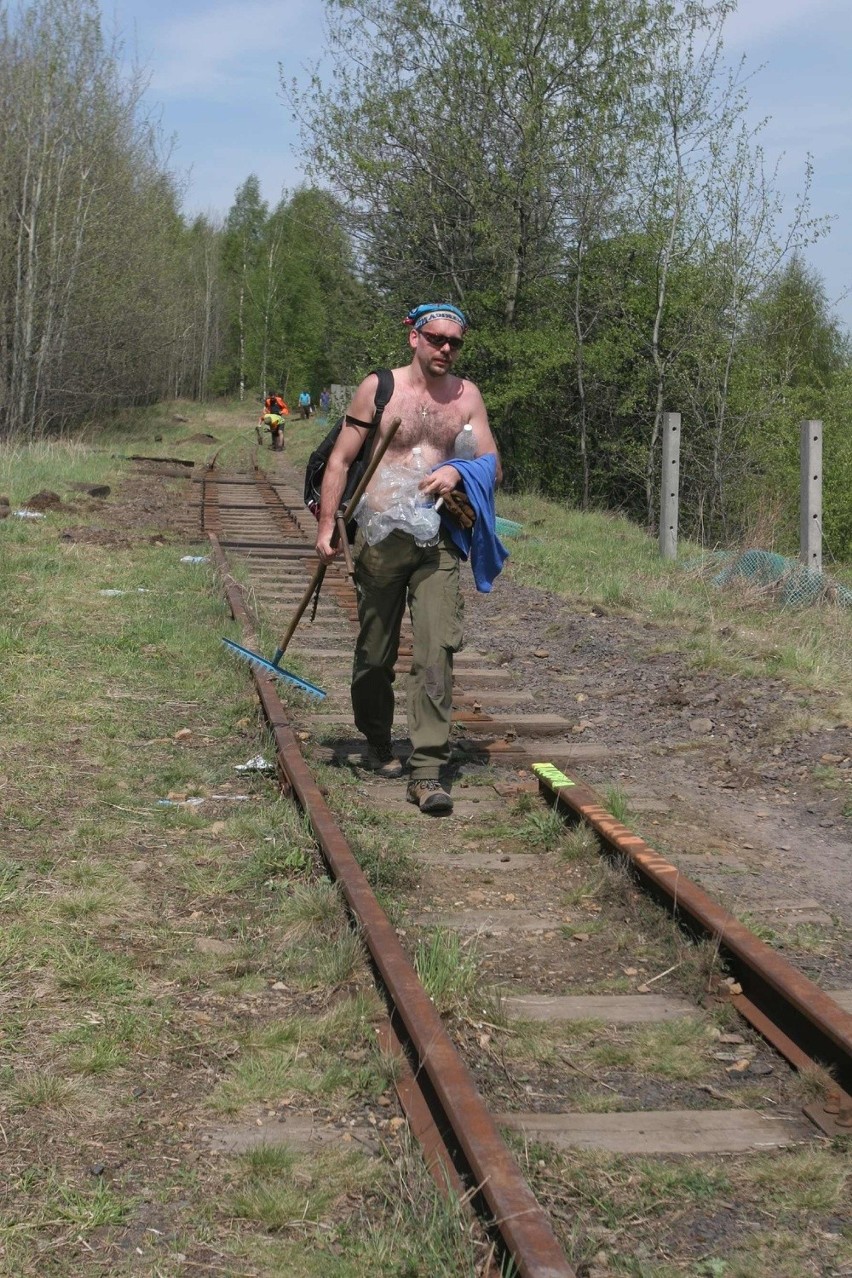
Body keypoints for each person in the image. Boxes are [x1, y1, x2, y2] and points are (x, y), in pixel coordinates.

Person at [315, 302, 502, 815]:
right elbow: (340, 460)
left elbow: (493, 463)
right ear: (413, 338)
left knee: (434, 651)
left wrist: (460, 473)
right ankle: (376, 736)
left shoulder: (466, 398)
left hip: (436, 540)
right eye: (436, 338)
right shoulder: (380, 389)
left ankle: (426, 770)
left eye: (455, 342)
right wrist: (327, 525)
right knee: (375, 656)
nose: (445, 349)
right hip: (379, 538)